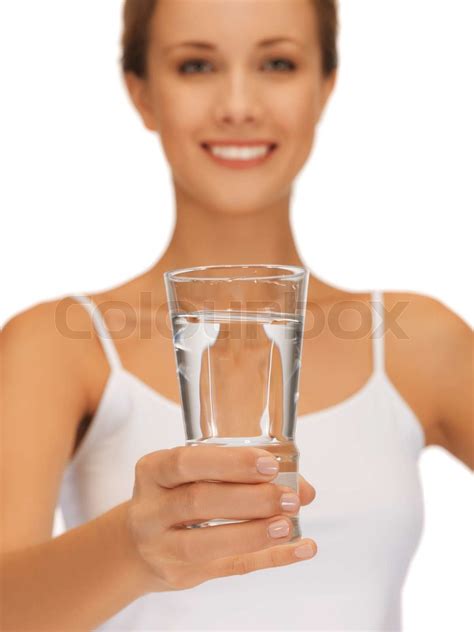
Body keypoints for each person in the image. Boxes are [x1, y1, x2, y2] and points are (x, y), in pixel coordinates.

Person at [1, 0, 471, 630]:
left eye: (277, 62)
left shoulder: (418, 341)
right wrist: (132, 549)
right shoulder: (58, 347)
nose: (239, 105)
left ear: (325, 87)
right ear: (141, 94)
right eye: (196, 65)